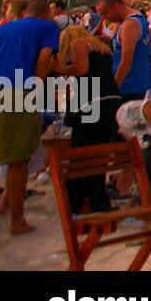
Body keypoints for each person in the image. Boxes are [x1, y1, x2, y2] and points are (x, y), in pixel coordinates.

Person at [0, 0, 58, 233]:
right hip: (18, 91)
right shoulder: (47, 27)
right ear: (47, 13)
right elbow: (44, 59)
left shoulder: (3, 27)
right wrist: (37, 86)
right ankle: (17, 220)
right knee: (17, 159)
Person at [55, 24, 122, 213]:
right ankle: (97, 201)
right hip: (111, 102)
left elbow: (82, 69)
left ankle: (79, 203)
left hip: (92, 104)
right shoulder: (102, 48)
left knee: (82, 155)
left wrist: (58, 67)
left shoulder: (78, 44)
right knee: (99, 155)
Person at [97, 0, 151, 107]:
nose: (105, 18)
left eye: (106, 13)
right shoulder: (137, 19)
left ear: (116, 7)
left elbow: (126, 60)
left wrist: (113, 89)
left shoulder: (130, 24)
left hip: (128, 85)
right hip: (135, 83)